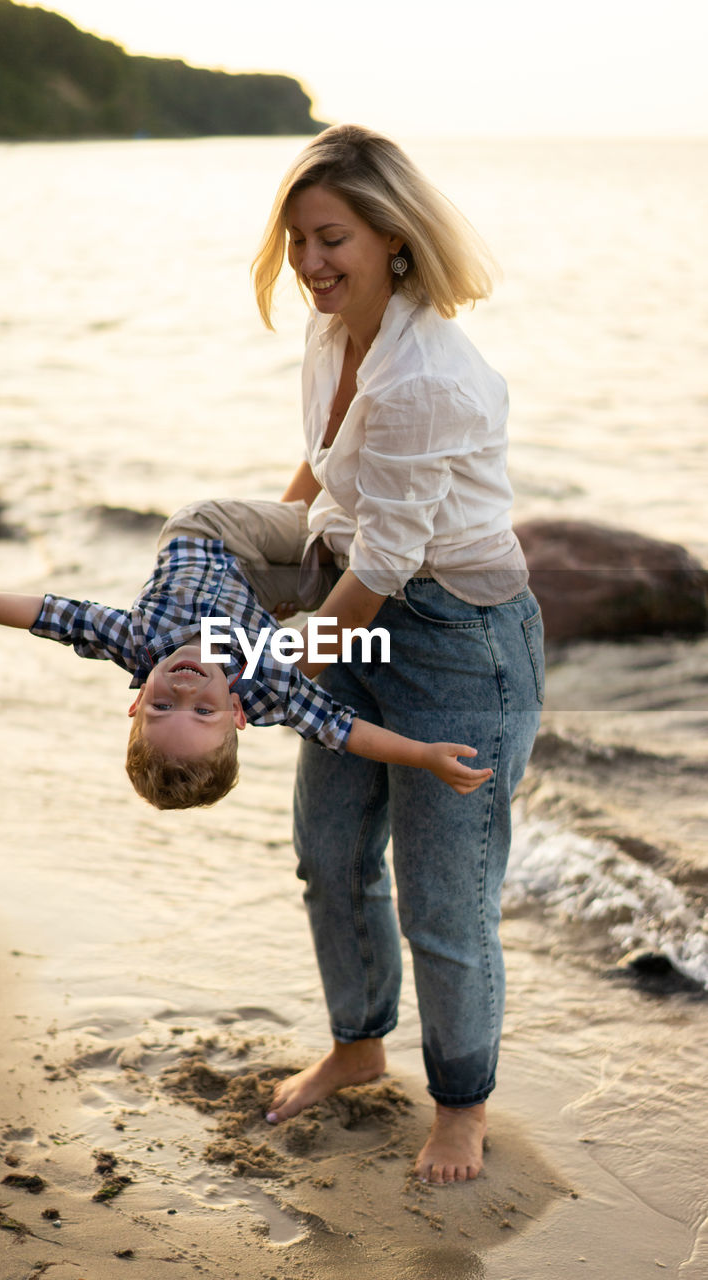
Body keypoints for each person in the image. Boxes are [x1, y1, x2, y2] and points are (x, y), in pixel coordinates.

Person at [249, 124, 545, 1184]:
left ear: (391, 237)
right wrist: (252, 553)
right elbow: (325, 470)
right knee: (327, 855)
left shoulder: (429, 372)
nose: (311, 265)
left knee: (443, 901)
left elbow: (391, 551)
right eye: (298, 242)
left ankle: (460, 1101)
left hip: (457, 645)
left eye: (330, 239)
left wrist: (275, 667)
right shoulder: (334, 336)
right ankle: (359, 1040)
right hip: (358, 605)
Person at [0, 496, 493, 811]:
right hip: (256, 586)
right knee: (337, 584)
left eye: (162, 706)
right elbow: (342, 730)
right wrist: (423, 755)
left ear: (137, 701)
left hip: (211, 531)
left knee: (333, 532)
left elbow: (41, 613)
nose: (187, 691)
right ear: (240, 717)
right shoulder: (269, 683)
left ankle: (347, 483)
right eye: (202, 713)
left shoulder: (136, 642)